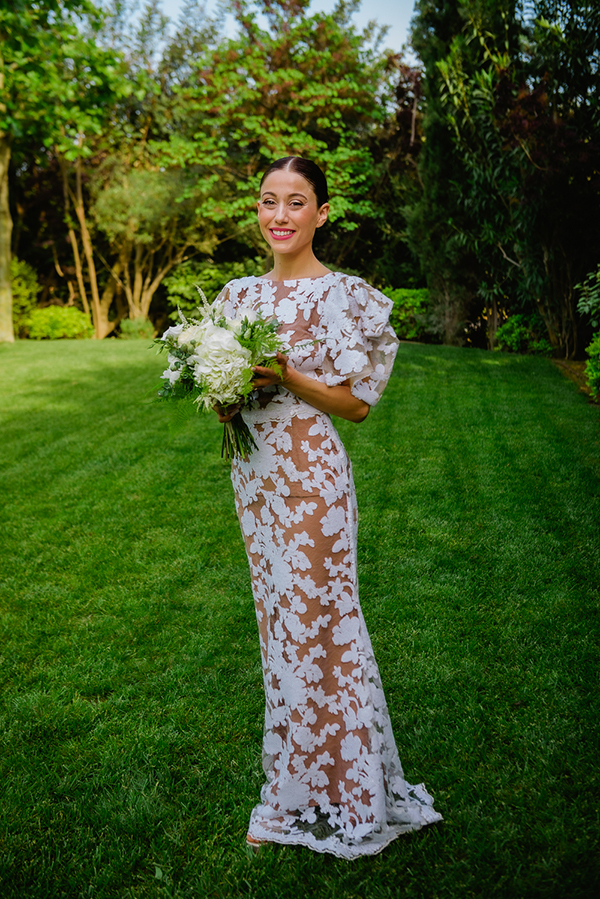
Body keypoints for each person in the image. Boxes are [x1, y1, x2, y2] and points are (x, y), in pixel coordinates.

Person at [214, 156, 442, 858]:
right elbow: (222, 395)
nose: (279, 215)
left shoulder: (345, 296)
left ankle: (349, 793)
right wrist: (224, 391)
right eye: (268, 201)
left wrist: (284, 374)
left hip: (312, 476)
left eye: (296, 202)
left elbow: (358, 405)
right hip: (254, 477)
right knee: (278, 625)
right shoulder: (237, 296)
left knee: (322, 625)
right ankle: (294, 786)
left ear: (321, 213)